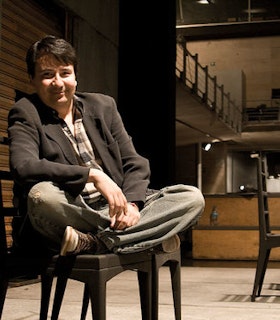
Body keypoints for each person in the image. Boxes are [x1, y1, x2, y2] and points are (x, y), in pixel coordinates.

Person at [8, 35, 205, 256]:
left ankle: (95, 243)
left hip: (115, 207)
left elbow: (135, 162)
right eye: (47, 75)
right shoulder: (25, 111)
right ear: (32, 80)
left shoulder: (102, 106)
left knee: (191, 197)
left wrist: (132, 205)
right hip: (73, 207)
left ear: (75, 76)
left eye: (65, 73)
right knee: (41, 196)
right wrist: (92, 175)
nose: (58, 82)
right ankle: (145, 237)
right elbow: (23, 166)